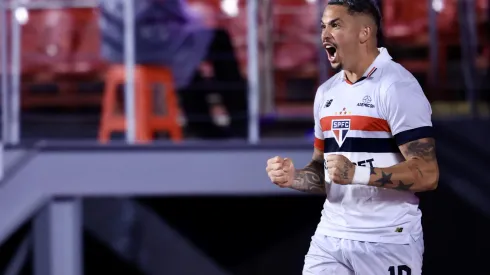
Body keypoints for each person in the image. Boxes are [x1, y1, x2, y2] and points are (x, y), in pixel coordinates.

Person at [265, 1, 439, 274]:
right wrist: (294, 177)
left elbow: (428, 173)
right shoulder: (326, 93)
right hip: (330, 236)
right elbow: (324, 172)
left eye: (335, 25)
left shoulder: (397, 86)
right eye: (323, 26)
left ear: (364, 33)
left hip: (386, 239)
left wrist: (356, 173)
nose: (324, 34)